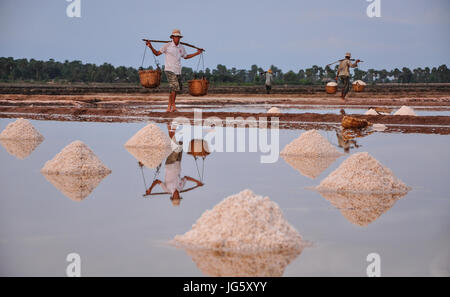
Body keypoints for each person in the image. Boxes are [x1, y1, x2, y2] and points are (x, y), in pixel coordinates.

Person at [146, 29, 204, 112]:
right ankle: (174, 105)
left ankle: (169, 107)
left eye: (178, 37)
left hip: (178, 70)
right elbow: (157, 53)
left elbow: (186, 56)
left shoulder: (181, 47)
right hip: (169, 69)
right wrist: (150, 46)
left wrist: (197, 53)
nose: (177, 38)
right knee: (175, 87)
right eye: (175, 37)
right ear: (172, 37)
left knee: (174, 89)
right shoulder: (167, 46)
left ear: (180, 38)